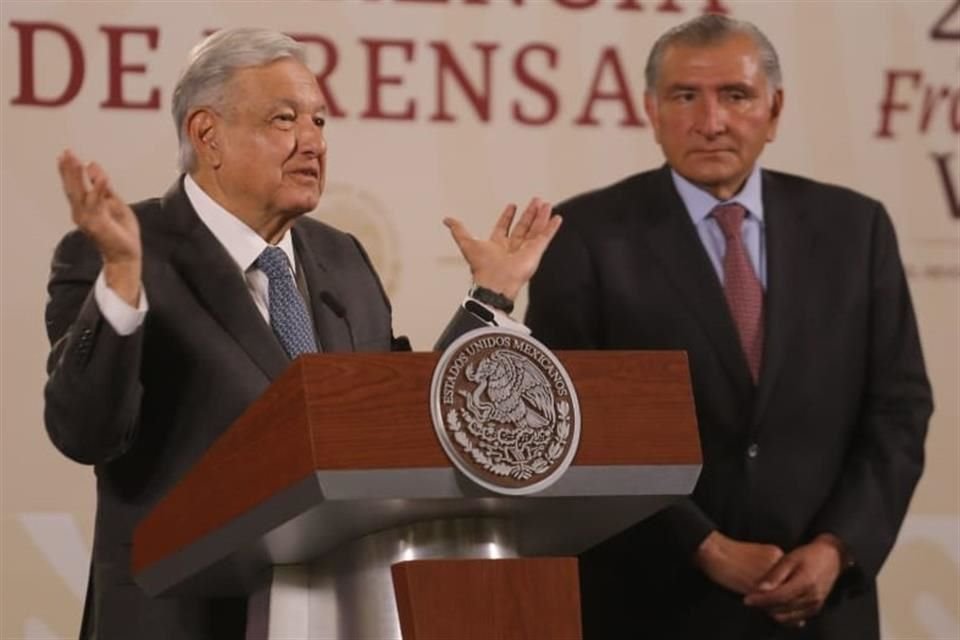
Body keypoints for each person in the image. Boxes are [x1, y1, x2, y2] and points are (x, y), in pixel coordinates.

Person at [44, 27, 560, 639]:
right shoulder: (118, 253)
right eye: (284, 120)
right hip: (184, 619)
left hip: (342, 611)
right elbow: (86, 431)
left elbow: (394, 424)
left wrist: (489, 298)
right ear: (206, 135)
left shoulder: (342, 259)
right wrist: (124, 279)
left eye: (319, 122)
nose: (312, 142)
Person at [525, 14, 932, 640]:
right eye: (686, 96)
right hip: (653, 605)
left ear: (774, 110)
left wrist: (834, 548)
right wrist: (704, 546)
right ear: (651, 111)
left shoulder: (857, 229)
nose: (711, 122)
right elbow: (571, 428)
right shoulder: (583, 237)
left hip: (823, 611)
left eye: (736, 96)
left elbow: (898, 412)